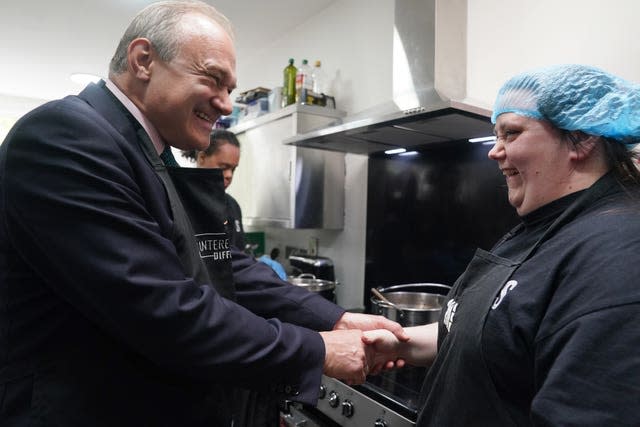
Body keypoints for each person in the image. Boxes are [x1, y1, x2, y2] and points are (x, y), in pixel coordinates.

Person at [0, 2, 406, 426]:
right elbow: (165, 310)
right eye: (214, 80)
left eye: (231, 89)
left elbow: (222, 262)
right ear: (143, 60)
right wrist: (317, 349)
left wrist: (335, 318)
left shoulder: (152, 154)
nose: (227, 105)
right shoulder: (67, 136)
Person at [364, 64, 640, 426]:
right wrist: (399, 343)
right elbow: (498, 335)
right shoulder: (545, 223)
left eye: (511, 133)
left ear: (582, 138)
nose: (494, 152)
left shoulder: (617, 254)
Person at [182, 128, 247, 250]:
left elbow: (239, 253)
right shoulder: (181, 200)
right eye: (223, 167)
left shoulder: (233, 205)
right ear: (202, 158)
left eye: (233, 169)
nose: (229, 175)